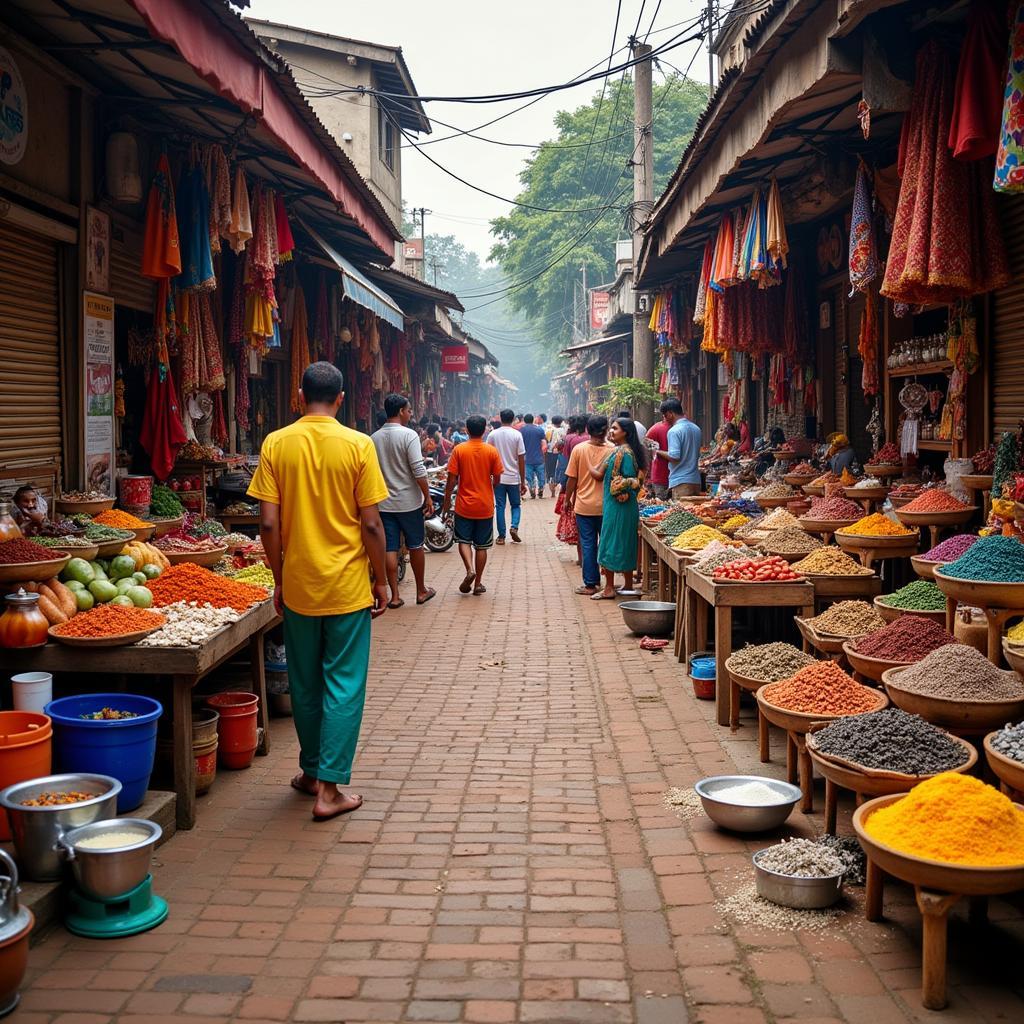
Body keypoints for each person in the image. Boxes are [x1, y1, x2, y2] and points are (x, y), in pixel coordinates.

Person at [248, 361, 389, 822]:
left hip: (300, 586)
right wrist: (382, 578)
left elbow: (268, 522)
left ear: (299, 395)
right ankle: (328, 788)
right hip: (347, 586)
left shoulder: (275, 443)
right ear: (342, 398)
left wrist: (279, 576)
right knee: (343, 685)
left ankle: (310, 772)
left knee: (305, 683)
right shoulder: (358, 445)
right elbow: (370, 522)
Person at [371, 393, 436, 609]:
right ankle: (421, 590)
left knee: (389, 547)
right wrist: (426, 495)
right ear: (400, 411)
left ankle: (395, 596)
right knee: (416, 544)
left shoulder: (374, 438)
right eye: (409, 410)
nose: (410, 414)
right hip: (409, 502)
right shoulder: (409, 435)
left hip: (383, 503)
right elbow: (418, 469)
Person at [443, 415, 505, 596]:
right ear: (485, 429)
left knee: (463, 541)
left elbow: (452, 479)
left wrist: (447, 499)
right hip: (485, 505)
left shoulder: (459, 450)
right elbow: (497, 478)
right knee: (482, 545)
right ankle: (478, 583)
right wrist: (489, 486)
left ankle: (469, 569)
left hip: (464, 505)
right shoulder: (491, 451)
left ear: (467, 430)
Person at [591, 417, 646, 600]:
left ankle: (609, 588)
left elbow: (630, 480)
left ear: (626, 433)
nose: (611, 431)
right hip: (624, 505)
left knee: (611, 542)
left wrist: (588, 463)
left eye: (615, 429)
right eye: (611, 428)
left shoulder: (624, 453)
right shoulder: (622, 451)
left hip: (618, 505)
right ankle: (628, 585)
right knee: (625, 542)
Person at [564, 415, 614, 596]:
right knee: (607, 543)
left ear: (588, 429)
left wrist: (567, 499)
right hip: (608, 506)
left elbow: (572, 478)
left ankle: (591, 584)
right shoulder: (613, 450)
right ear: (606, 430)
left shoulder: (579, 450)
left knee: (588, 544)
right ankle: (609, 583)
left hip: (584, 505)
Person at [487, 408, 527, 544]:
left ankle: (501, 536)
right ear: (513, 419)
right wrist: (523, 480)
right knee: (516, 505)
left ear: (500, 418)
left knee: (500, 506)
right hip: (513, 477)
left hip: (498, 478)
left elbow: (488, 456)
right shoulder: (517, 435)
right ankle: (514, 526)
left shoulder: (492, 435)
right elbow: (521, 458)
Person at [657, 397, 702, 498]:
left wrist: (657, 452)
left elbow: (674, 456)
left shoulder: (674, 431)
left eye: (665, 416)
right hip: (695, 481)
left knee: (682, 512)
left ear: (670, 413)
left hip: (681, 482)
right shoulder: (696, 428)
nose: (665, 419)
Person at [644, 408, 672, 500]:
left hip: (673, 476)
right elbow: (645, 443)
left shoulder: (678, 427)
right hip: (661, 475)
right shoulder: (657, 428)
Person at [519, 413, 547, 499]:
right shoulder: (540, 430)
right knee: (541, 475)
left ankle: (532, 489)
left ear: (525, 420)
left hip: (527, 458)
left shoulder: (521, 431)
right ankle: (541, 488)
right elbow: (544, 442)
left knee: (529, 476)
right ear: (532, 420)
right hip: (539, 457)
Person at [545, 415, 567, 497]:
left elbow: (546, 441)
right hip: (561, 453)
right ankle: (558, 485)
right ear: (561, 422)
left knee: (551, 471)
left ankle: (552, 491)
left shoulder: (548, 430)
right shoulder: (564, 431)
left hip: (550, 453)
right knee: (559, 469)